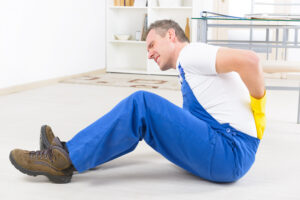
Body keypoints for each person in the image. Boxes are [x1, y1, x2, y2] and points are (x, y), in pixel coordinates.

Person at [9, 19, 266, 184]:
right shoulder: (189, 68)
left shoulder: (192, 53)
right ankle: (69, 151)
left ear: (172, 36)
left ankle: (62, 159)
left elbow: (250, 61)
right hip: (227, 150)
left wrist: (259, 104)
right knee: (147, 116)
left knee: (142, 104)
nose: (149, 52)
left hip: (229, 151)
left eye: (152, 43)